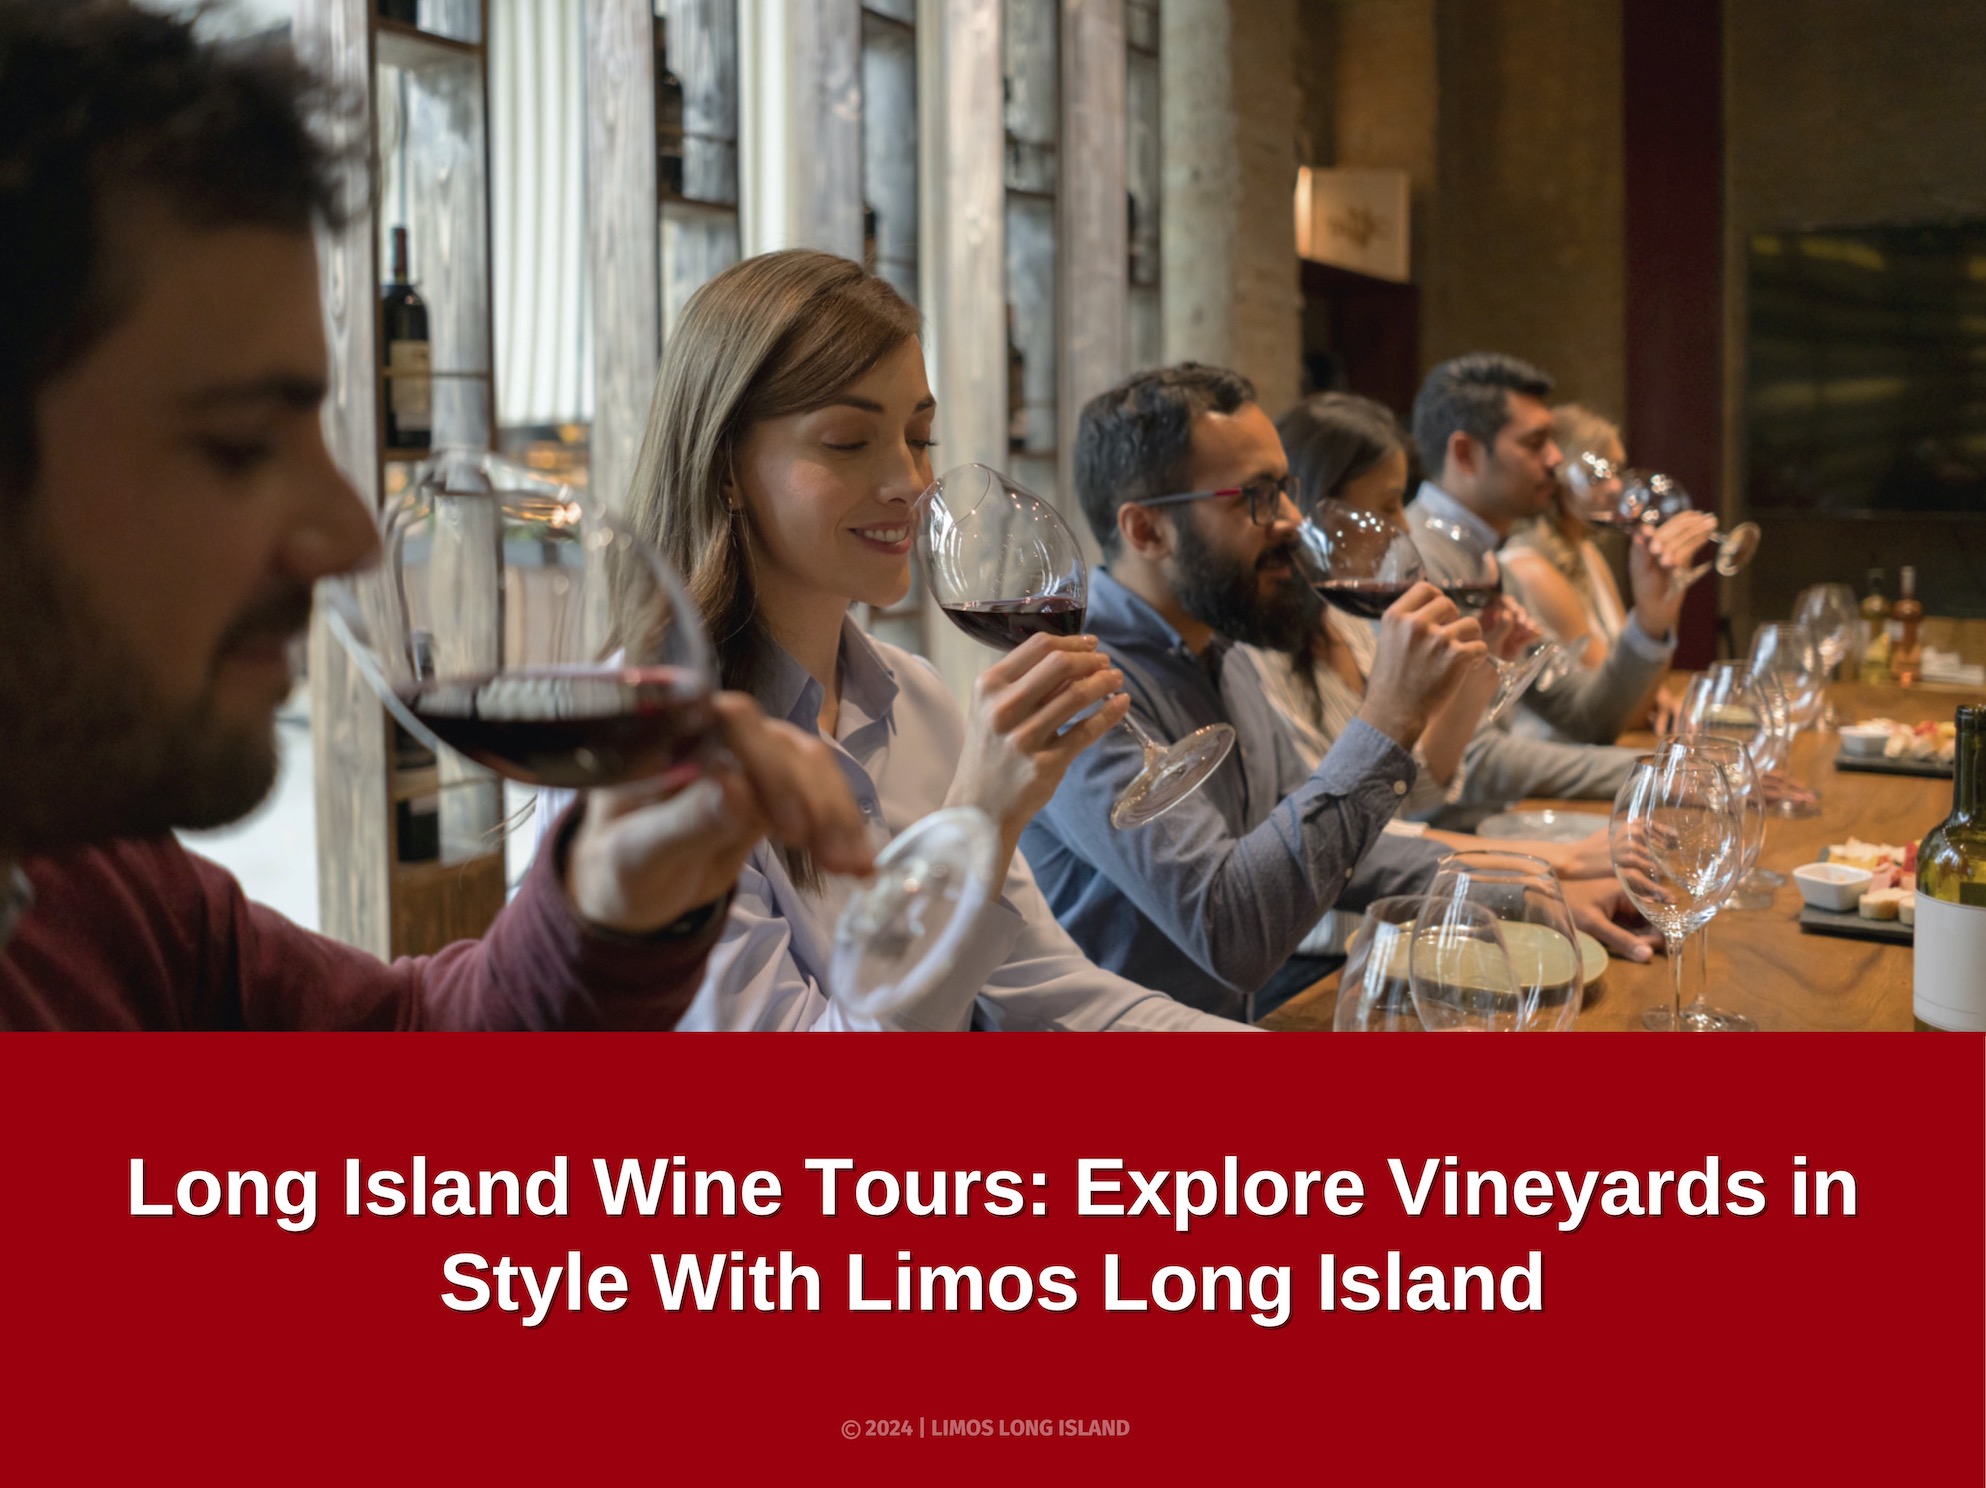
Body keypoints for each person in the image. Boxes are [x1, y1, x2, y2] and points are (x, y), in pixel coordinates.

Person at [0, 1, 872, 1030]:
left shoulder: (89, 881)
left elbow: (403, 1041)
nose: (353, 536)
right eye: (237, 444)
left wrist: (609, 906)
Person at [605, 250, 1247, 1031]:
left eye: (920, 437)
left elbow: (1060, 996)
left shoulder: (917, 700)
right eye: (848, 441)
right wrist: (980, 821)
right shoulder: (640, 754)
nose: (910, 481)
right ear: (727, 465)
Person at [1022, 362, 1628, 1021]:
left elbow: (1324, 848)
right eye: (1257, 496)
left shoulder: (1219, 648)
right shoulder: (1080, 688)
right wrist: (1388, 718)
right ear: (1146, 530)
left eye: (1287, 490)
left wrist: (1528, 894)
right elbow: (1233, 934)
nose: (1291, 520)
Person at [1235, 393, 1621, 892]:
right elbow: (1325, 834)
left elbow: (1412, 789)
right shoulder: (1259, 650)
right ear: (1321, 514)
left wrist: (1484, 671)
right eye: (1387, 505)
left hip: (1409, 899)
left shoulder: (1344, 623)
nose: (1402, 526)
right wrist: (1548, 863)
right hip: (1332, 939)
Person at [1405, 353, 1714, 750]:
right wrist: (1662, 772)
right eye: (1536, 444)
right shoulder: (1415, 558)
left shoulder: (1493, 566)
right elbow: (1471, 764)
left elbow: (1587, 716)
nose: (1555, 459)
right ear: (1465, 454)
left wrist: (1652, 620)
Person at [1502, 403, 1674, 730]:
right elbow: (1615, 703)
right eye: (1597, 474)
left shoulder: (1587, 552)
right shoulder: (1531, 569)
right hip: (1557, 758)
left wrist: (1657, 693)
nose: (1614, 488)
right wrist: (1661, 609)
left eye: (1616, 472)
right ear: (1558, 474)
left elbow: (1627, 667)